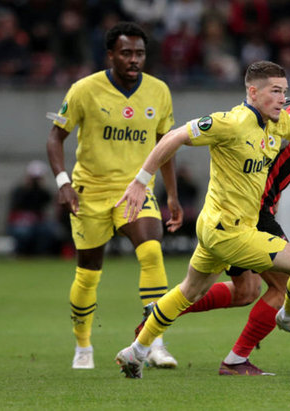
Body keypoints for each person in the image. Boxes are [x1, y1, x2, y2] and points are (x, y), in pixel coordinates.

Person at [114, 60, 290, 379]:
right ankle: (289, 316)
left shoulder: (278, 122)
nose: (283, 99)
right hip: (231, 234)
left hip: (215, 227)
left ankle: (135, 351)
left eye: (284, 91)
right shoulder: (230, 123)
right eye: (275, 92)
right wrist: (141, 181)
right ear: (253, 92)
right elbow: (174, 137)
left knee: (190, 292)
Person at [45, 21, 183, 371]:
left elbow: (165, 146)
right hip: (89, 192)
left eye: (139, 53)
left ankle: (153, 343)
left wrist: (171, 196)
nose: (134, 59)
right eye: (126, 53)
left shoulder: (159, 91)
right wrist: (63, 182)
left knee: (151, 251)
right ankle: (83, 345)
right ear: (110, 55)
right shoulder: (84, 89)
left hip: (136, 189)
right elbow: (55, 137)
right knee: (88, 274)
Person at [7, 160, 57, 255]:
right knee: (23, 232)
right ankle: (21, 253)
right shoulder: (19, 190)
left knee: (48, 229)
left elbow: (48, 200)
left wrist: (42, 187)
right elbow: (17, 204)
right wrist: (27, 187)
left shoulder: (42, 192)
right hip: (21, 221)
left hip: (37, 221)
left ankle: (40, 253)